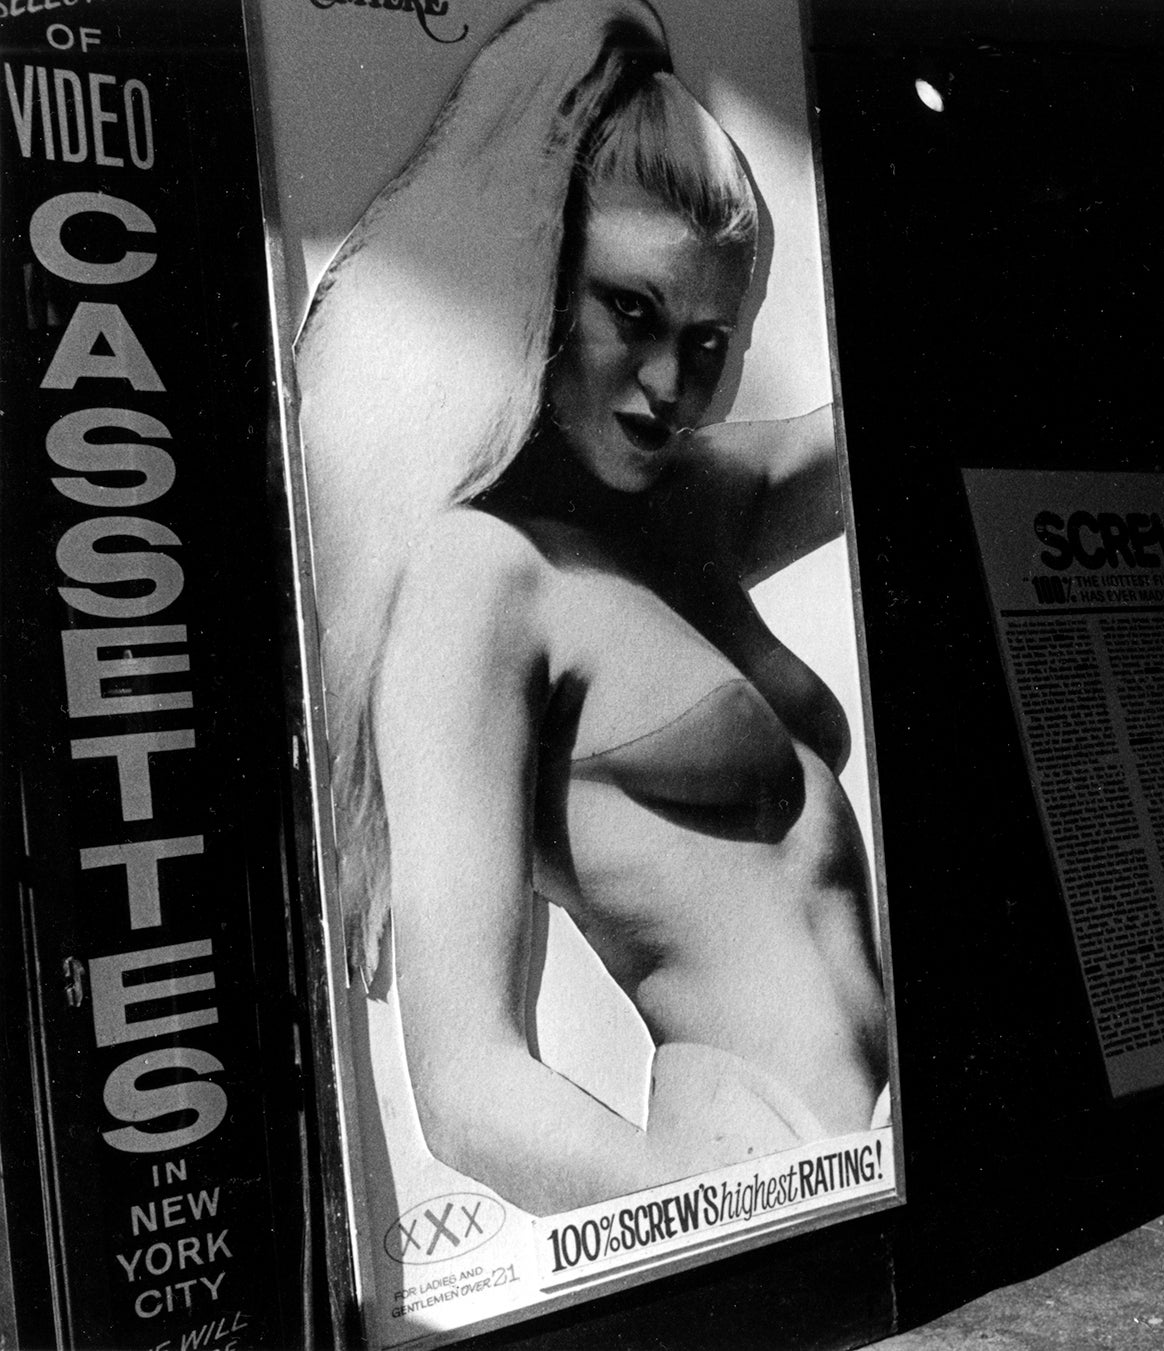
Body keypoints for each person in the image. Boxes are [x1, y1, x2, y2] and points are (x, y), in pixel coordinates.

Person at [295, 0, 887, 1216]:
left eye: (709, 337)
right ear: (539, 277)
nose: (671, 384)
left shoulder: (692, 504)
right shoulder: (477, 582)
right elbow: (466, 1087)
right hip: (752, 1169)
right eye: (632, 311)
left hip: (876, 1160)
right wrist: (715, 1209)